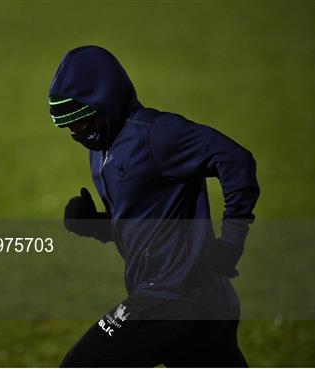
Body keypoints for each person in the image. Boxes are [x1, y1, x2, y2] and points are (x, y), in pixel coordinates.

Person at [48, 45, 260, 367]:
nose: (74, 133)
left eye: (78, 121)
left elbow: (236, 161)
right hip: (204, 303)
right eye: (68, 126)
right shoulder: (102, 151)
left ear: (105, 102)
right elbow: (146, 225)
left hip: (169, 300)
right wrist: (94, 225)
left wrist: (232, 242)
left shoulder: (156, 134)